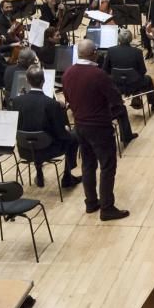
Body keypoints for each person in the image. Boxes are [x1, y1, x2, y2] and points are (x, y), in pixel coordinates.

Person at [60, 39, 131, 220]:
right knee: (107, 166)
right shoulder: (98, 75)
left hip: (80, 126)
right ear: (93, 53)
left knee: (88, 164)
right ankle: (107, 208)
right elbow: (115, 99)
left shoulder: (67, 73)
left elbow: (68, 99)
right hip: (99, 127)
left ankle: (91, 202)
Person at [10, 67, 80, 189]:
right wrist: (67, 130)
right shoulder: (51, 104)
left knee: (35, 134)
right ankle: (67, 177)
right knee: (74, 136)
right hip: (48, 149)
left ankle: (39, 171)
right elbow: (60, 134)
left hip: (25, 150)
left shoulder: (16, 102)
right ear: (43, 81)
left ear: (27, 80)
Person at [102, 28, 154, 112]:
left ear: (119, 39)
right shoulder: (137, 52)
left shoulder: (111, 51)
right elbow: (143, 71)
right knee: (148, 79)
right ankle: (153, 104)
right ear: (130, 39)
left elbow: (105, 70)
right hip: (134, 85)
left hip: (116, 85)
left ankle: (112, 104)